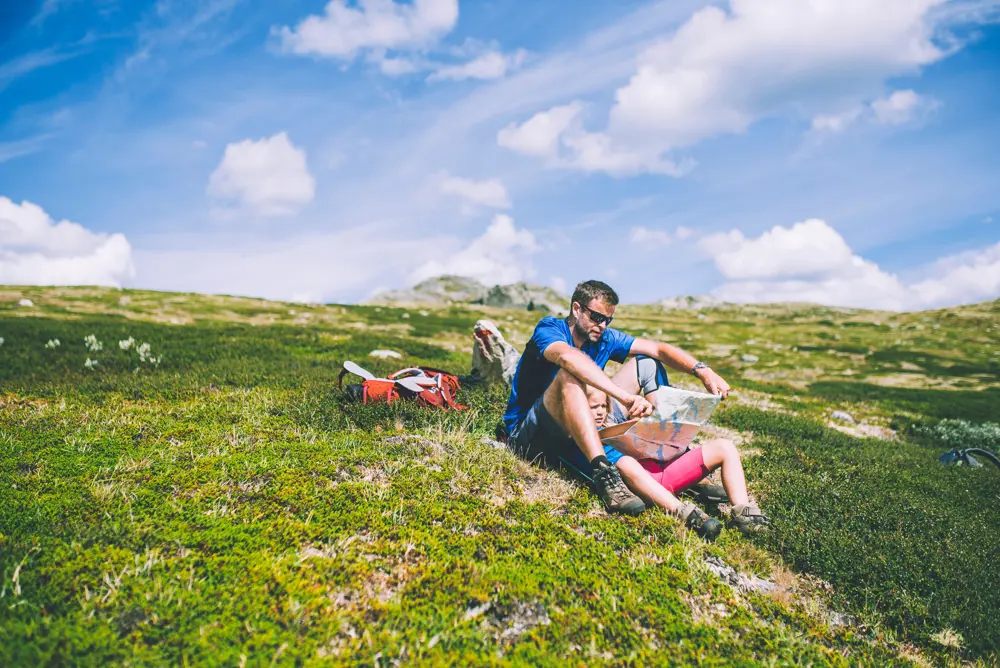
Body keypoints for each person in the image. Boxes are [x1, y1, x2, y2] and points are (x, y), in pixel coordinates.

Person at [503, 279, 732, 538]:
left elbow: (657, 348)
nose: (602, 326)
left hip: (580, 421)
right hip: (529, 434)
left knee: (647, 362)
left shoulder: (604, 338)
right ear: (577, 309)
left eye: (607, 320)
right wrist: (624, 398)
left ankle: (666, 450)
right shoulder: (549, 329)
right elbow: (568, 358)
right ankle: (604, 473)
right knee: (569, 374)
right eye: (597, 317)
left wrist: (702, 370)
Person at [588, 384, 769, 537]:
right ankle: (684, 512)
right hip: (646, 484)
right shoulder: (587, 438)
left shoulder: (612, 423)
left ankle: (744, 516)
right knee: (625, 462)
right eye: (593, 407)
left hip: (666, 469)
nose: (599, 412)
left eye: (603, 406)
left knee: (725, 446)